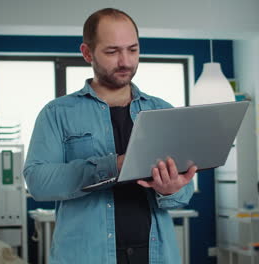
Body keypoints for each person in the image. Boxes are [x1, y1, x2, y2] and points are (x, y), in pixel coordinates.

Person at [23, 8, 197, 264]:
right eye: (112, 51)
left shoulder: (162, 111)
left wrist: (170, 189)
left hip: (154, 255)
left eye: (133, 49)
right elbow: (37, 181)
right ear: (87, 53)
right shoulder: (56, 113)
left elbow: (183, 194)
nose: (125, 61)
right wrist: (113, 166)